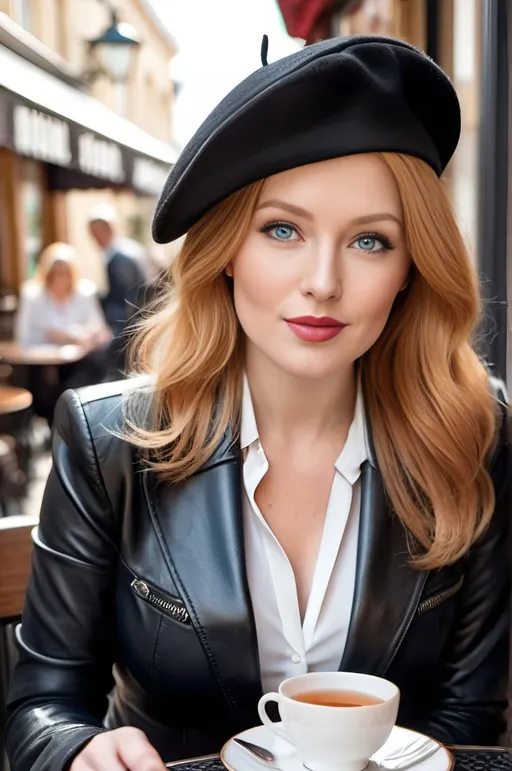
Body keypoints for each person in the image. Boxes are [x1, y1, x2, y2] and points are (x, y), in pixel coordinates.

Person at [5, 35, 510, 771]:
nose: (322, 281)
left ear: (411, 269)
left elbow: (465, 719)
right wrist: (81, 748)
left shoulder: (475, 429)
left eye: (371, 241)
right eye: (282, 230)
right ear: (227, 248)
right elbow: (40, 704)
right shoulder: (108, 438)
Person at [14, 241, 111, 424]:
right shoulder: (33, 295)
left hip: (78, 366)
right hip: (40, 366)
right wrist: (54, 339)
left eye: (65, 273)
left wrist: (81, 338)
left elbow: (100, 331)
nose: (60, 279)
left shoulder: (84, 293)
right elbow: (24, 337)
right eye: (55, 274)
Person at [88, 205, 154, 374]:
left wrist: (114, 334)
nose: (95, 238)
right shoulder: (128, 251)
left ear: (108, 229)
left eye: (97, 233)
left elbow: (125, 300)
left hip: (127, 330)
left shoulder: (119, 258)